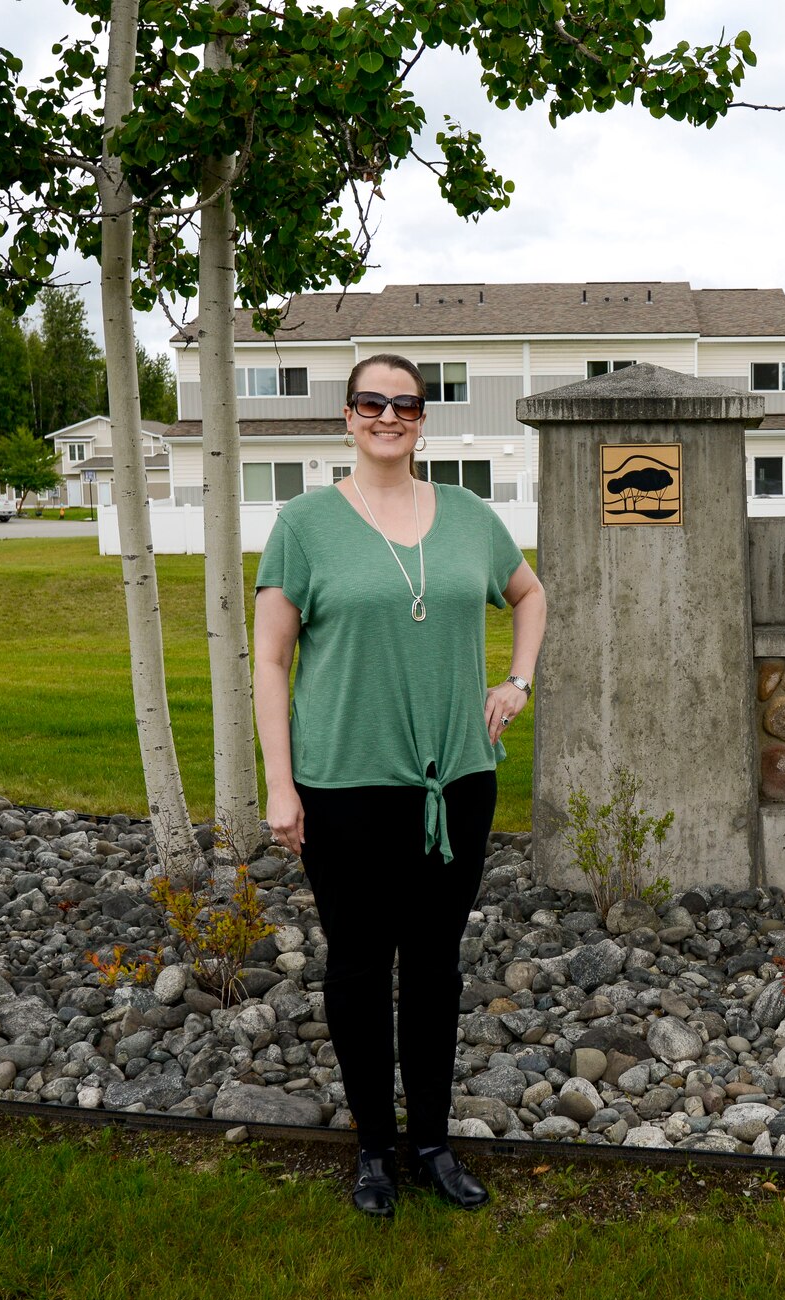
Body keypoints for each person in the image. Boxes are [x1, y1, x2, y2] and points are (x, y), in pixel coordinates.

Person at [252, 353, 546, 1219]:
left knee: (434, 967)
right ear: (346, 417)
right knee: (355, 967)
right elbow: (271, 658)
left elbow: (529, 594)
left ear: (424, 420)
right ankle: (374, 1149)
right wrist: (280, 783)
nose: (389, 416)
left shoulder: (467, 517)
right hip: (344, 784)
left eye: (406, 405)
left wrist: (515, 683)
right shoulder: (304, 526)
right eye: (371, 403)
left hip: (457, 782)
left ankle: (431, 1142)